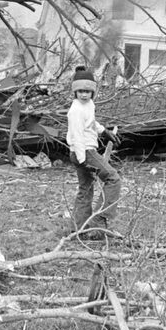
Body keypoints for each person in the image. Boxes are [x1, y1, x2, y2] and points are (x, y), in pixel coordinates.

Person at [65, 66, 121, 239]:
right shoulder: (75, 111)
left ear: (93, 92)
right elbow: (77, 137)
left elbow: (91, 123)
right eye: (80, 91)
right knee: (113, 179)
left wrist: (104, 131)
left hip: (84, 151)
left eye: (88, 91)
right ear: (75, 91)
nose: (84, 94)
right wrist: (83, 160)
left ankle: (78, 230)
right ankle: (100, 219)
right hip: (84, 151)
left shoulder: (88, 105)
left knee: (86, 189)